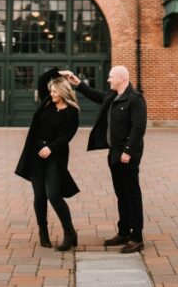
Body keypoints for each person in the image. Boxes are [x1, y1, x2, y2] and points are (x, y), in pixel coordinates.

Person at [60, 66, 147, 253]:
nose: (108, 80)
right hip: (114, 154)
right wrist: (79, 84)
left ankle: (137, 237)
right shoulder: (113, 95)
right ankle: (124, 232)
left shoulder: (135, 99)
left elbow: (138, 128)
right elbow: (96, 96)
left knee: (132, 195)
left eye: (111, 77)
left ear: (122, 78)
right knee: (121, 194)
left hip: (126, 156)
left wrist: (128, 151)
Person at [14, 67, 81, 251]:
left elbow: (67, 136)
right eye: (51, 91)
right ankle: (43, 231)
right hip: (35, 153)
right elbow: (43, 78)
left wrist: (50, 148)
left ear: (63, 92)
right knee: (40, 195)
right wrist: (61, 73)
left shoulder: (72, 112)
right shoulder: (47, 102)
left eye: (55, 92)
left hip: (55, 155)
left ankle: (69, 232)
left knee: (54, 195)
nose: (51, 94)